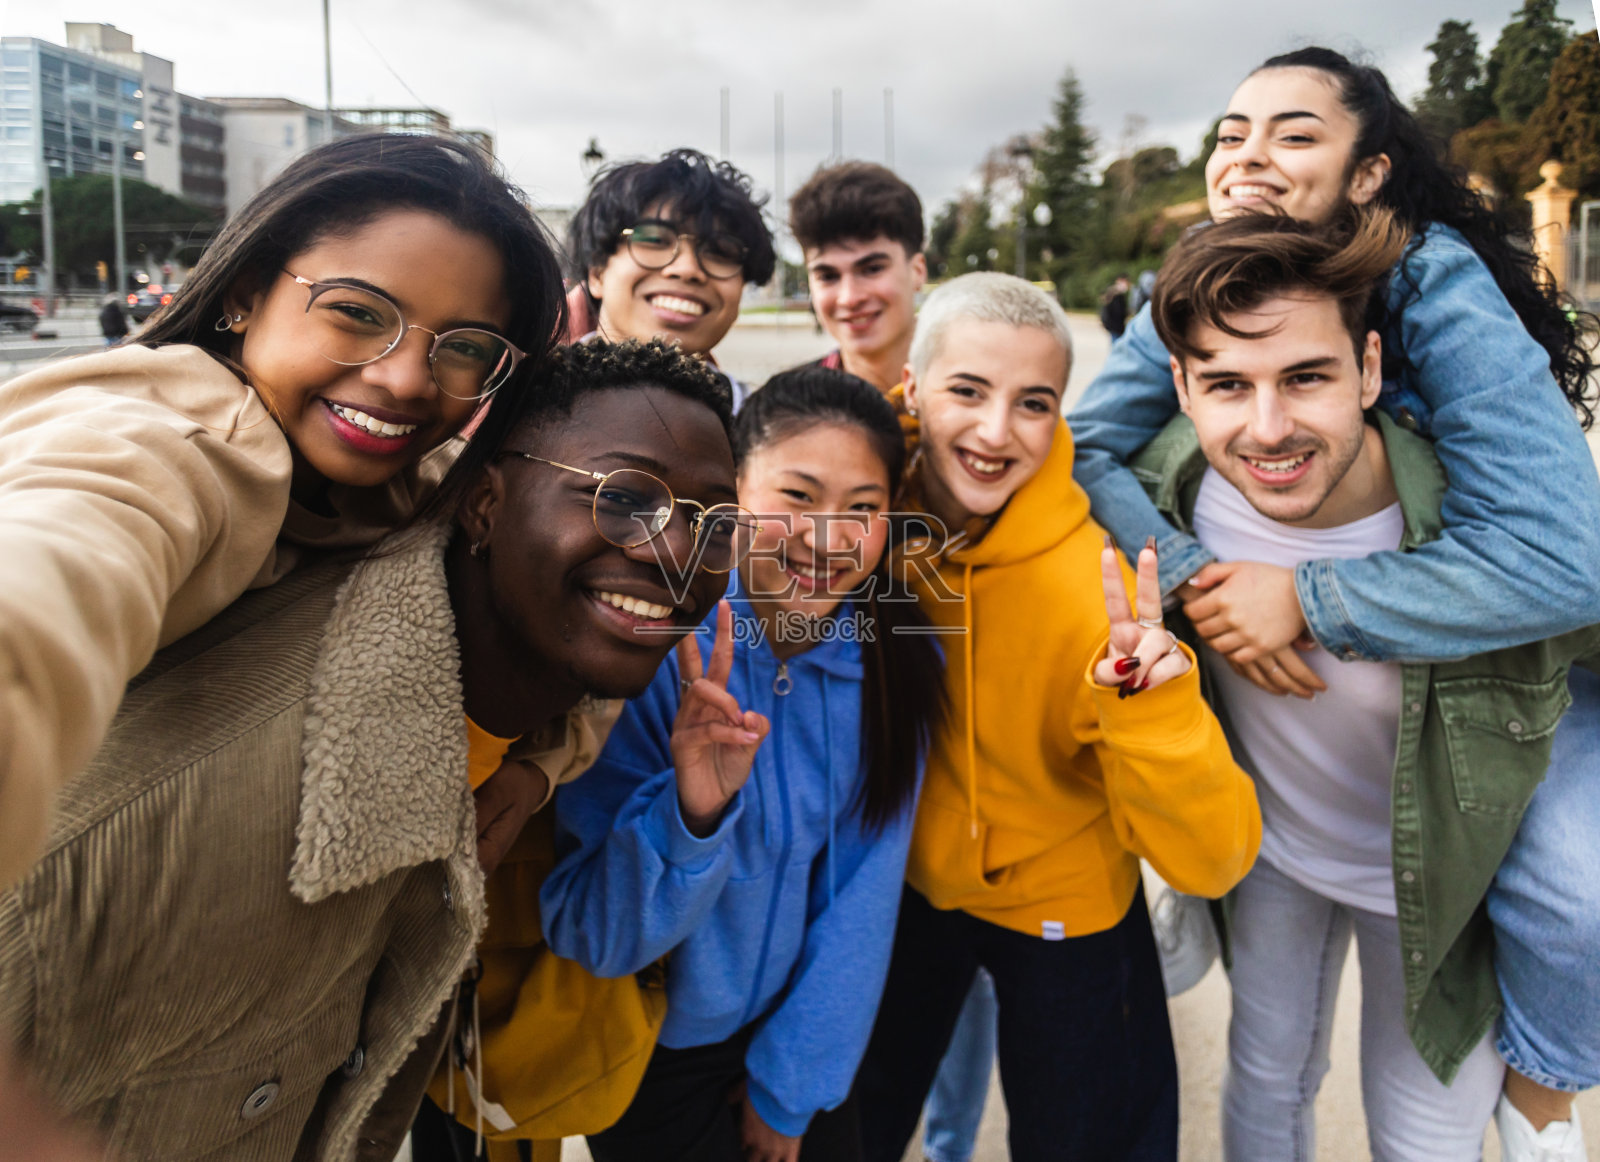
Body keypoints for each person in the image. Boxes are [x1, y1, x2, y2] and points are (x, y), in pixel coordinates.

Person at [0, 338, 742, 1160]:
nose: (676, 554)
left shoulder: (529, 719)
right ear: (484, 504)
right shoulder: (221, 785)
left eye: (715, 525)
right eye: (623, 498)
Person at [1067, 47, 1600, 1159]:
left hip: (1441, 804)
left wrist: (1306, 597)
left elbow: (1559, 557)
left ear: (1369, 176)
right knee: (1268, 1070)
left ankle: (1547, 1080)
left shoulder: (1429, 272)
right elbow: (1085, 441)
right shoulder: (1203, 283)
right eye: (1229, 132)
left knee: (1570, 889)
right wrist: (1192, 575)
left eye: (1293, 134)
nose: (1248, 153)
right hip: (1285, 841)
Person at [0, 133, 567, 894]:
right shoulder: (178, 438)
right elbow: (63, 556)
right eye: (358, 313)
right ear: (245, 291)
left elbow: (570, 590)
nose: (403, 381)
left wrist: (539, 764)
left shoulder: (420, 484)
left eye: (464, 348)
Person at [855, 273, 1261, 1162]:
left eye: (1032, 403)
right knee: (840, 1125)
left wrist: (1155, 711)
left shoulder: (1097, 588)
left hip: (1065, 904)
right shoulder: (866, 519)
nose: (997, 431)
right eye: (967, 390)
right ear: (914, 389)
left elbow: (1215, 856)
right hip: (905, 885)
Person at [540, 366, 947, 1162]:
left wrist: (791, 1088)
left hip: (802, 1046)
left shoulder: (900, 660)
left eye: (863, 509)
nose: (828, 539)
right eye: (797, 496)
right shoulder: (656, 650)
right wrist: (689, 817)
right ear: (732, 494)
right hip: (652, 1057)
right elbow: (591, 930)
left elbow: (864, 896)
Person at [566, 148, 776, 409]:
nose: (687, 268)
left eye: (720, 252)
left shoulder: (764, 428)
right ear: (597, 273)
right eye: (654, 239)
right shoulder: (516, 404)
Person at [788, 161, 927, 395]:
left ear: (917, 271)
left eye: (872, 269)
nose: (850, 298)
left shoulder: (984, 400)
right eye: (828, 276)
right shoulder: (787, 407)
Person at [1099, 274, 1130, 339]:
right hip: (1115, 326)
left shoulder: (1114, 293)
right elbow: (1118, 311)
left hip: (1114, 326)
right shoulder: (1116, 295)